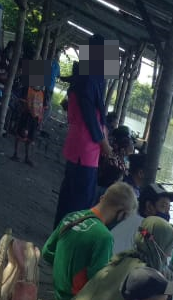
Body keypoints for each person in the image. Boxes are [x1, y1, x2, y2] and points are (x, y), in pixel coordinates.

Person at [42, 182, 137, 300]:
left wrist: (66, 264)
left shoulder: (71, 217)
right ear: (121, 214)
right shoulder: (104, 237)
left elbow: (46, 252)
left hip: (58, 293)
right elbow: (98, 283)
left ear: (102, 198)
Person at [52, 33, 112, 229]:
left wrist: (104, 139)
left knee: (71, 195)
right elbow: (89, 115)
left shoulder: (89, 75)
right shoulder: (89, 78)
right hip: (85, 148)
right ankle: (66, 240)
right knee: (78, 201)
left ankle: (59, 237)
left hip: (83, 146)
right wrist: (102, 141)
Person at [111, 183, 173, 255]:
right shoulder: (144, 228)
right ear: (149, 206)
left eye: (169, 208)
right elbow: (151, 238)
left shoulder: (131, 218)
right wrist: (169, 232)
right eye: (163, 206)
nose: (167, 213)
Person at [96, 126, 134, 200]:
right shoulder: (116, 161)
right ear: (123, 150)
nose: (132, 148)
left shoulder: (114, 154)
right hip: (103, 191)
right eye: (131, 144)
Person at [10, 84, 45, 166]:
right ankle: (16, 154)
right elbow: (20, 102)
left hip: (35, 119)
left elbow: (42, 108)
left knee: (31, 138)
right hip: (25, 116)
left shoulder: (42, 93)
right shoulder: (26, 89)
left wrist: (40, 120)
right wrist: (22, 111)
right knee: (20, 135)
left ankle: (27, 157)